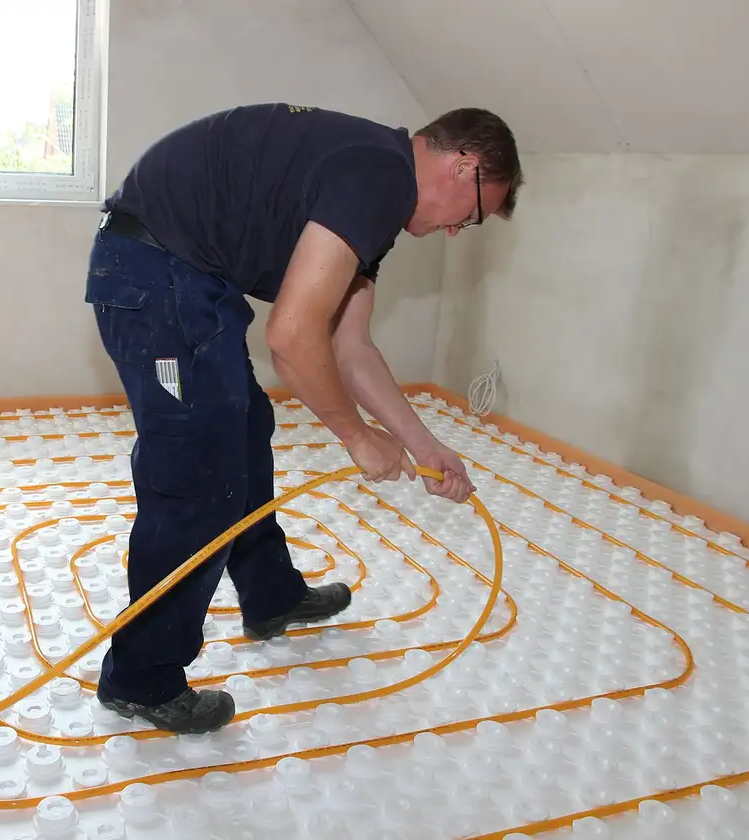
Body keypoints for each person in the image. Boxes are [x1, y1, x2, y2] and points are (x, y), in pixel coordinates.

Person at [84, 103, 522, 734]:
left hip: (188, 277)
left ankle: (271, 595)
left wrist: (425, 447)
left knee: (242, 433)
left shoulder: (375, 183)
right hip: (154, 275)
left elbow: (351, 346)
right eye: (472, 214)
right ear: (464, 165)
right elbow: (291, 337)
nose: (458, 230)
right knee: (197, 473)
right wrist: (357, 437)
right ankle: (141, 679)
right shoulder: (378, 177)